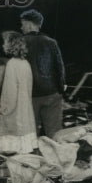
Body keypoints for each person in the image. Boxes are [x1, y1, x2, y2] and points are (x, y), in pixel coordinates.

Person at [20, 8, 66, 137]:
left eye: (22, 24)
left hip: (31, 95)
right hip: (52, 93)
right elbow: (60, 68)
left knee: (31, 134)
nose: (21, 27)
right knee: (55, 133)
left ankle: (35, 157)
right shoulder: (51, 42)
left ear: (29, 24)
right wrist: (60, 89)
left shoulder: (21, 43)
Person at [0, 31, 38, 154]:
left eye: (5, 42)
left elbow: (10, 93)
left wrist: (3, 110)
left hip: (15, 115)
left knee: (14, 153)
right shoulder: (25, 63)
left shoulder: (11, 64)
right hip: (25, 112)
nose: (2, 45)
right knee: (25, 153)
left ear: (11, 45)